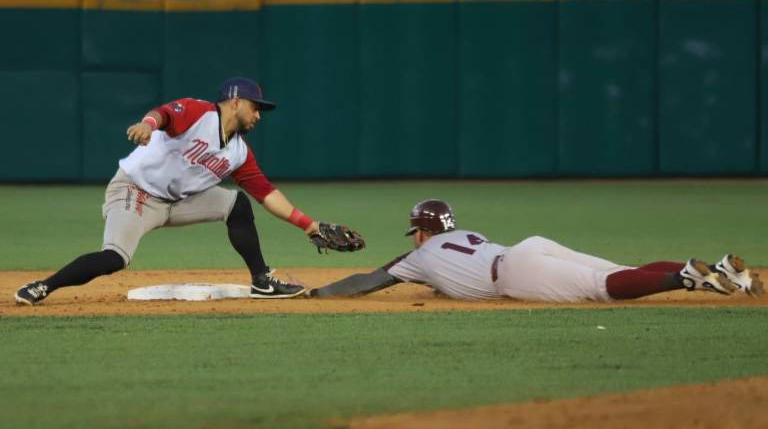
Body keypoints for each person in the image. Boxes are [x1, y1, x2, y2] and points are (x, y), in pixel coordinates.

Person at [15, 77, 327, 305]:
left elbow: (267, 194)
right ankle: (44, 286)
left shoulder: (238, 152)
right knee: (114, 258)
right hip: (137, 191)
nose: (258, 115)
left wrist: (309, 225)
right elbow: (163, 114)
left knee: (238, 205)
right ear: (235, 102)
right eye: (255, 107)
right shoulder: (199, 113)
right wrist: (148, 125)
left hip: (180, 201)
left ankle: (261, 280)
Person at [308, 199, 764, 302]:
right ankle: (725, 270)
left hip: (513, 275)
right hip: (527, 247)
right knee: (624, 269)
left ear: (422, 233)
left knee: (602, 288)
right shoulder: (466, 234)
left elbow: (366, 282)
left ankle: (685, 277)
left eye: (415, 232)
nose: (415, 239)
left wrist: (317, 294)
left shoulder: (417, 258)